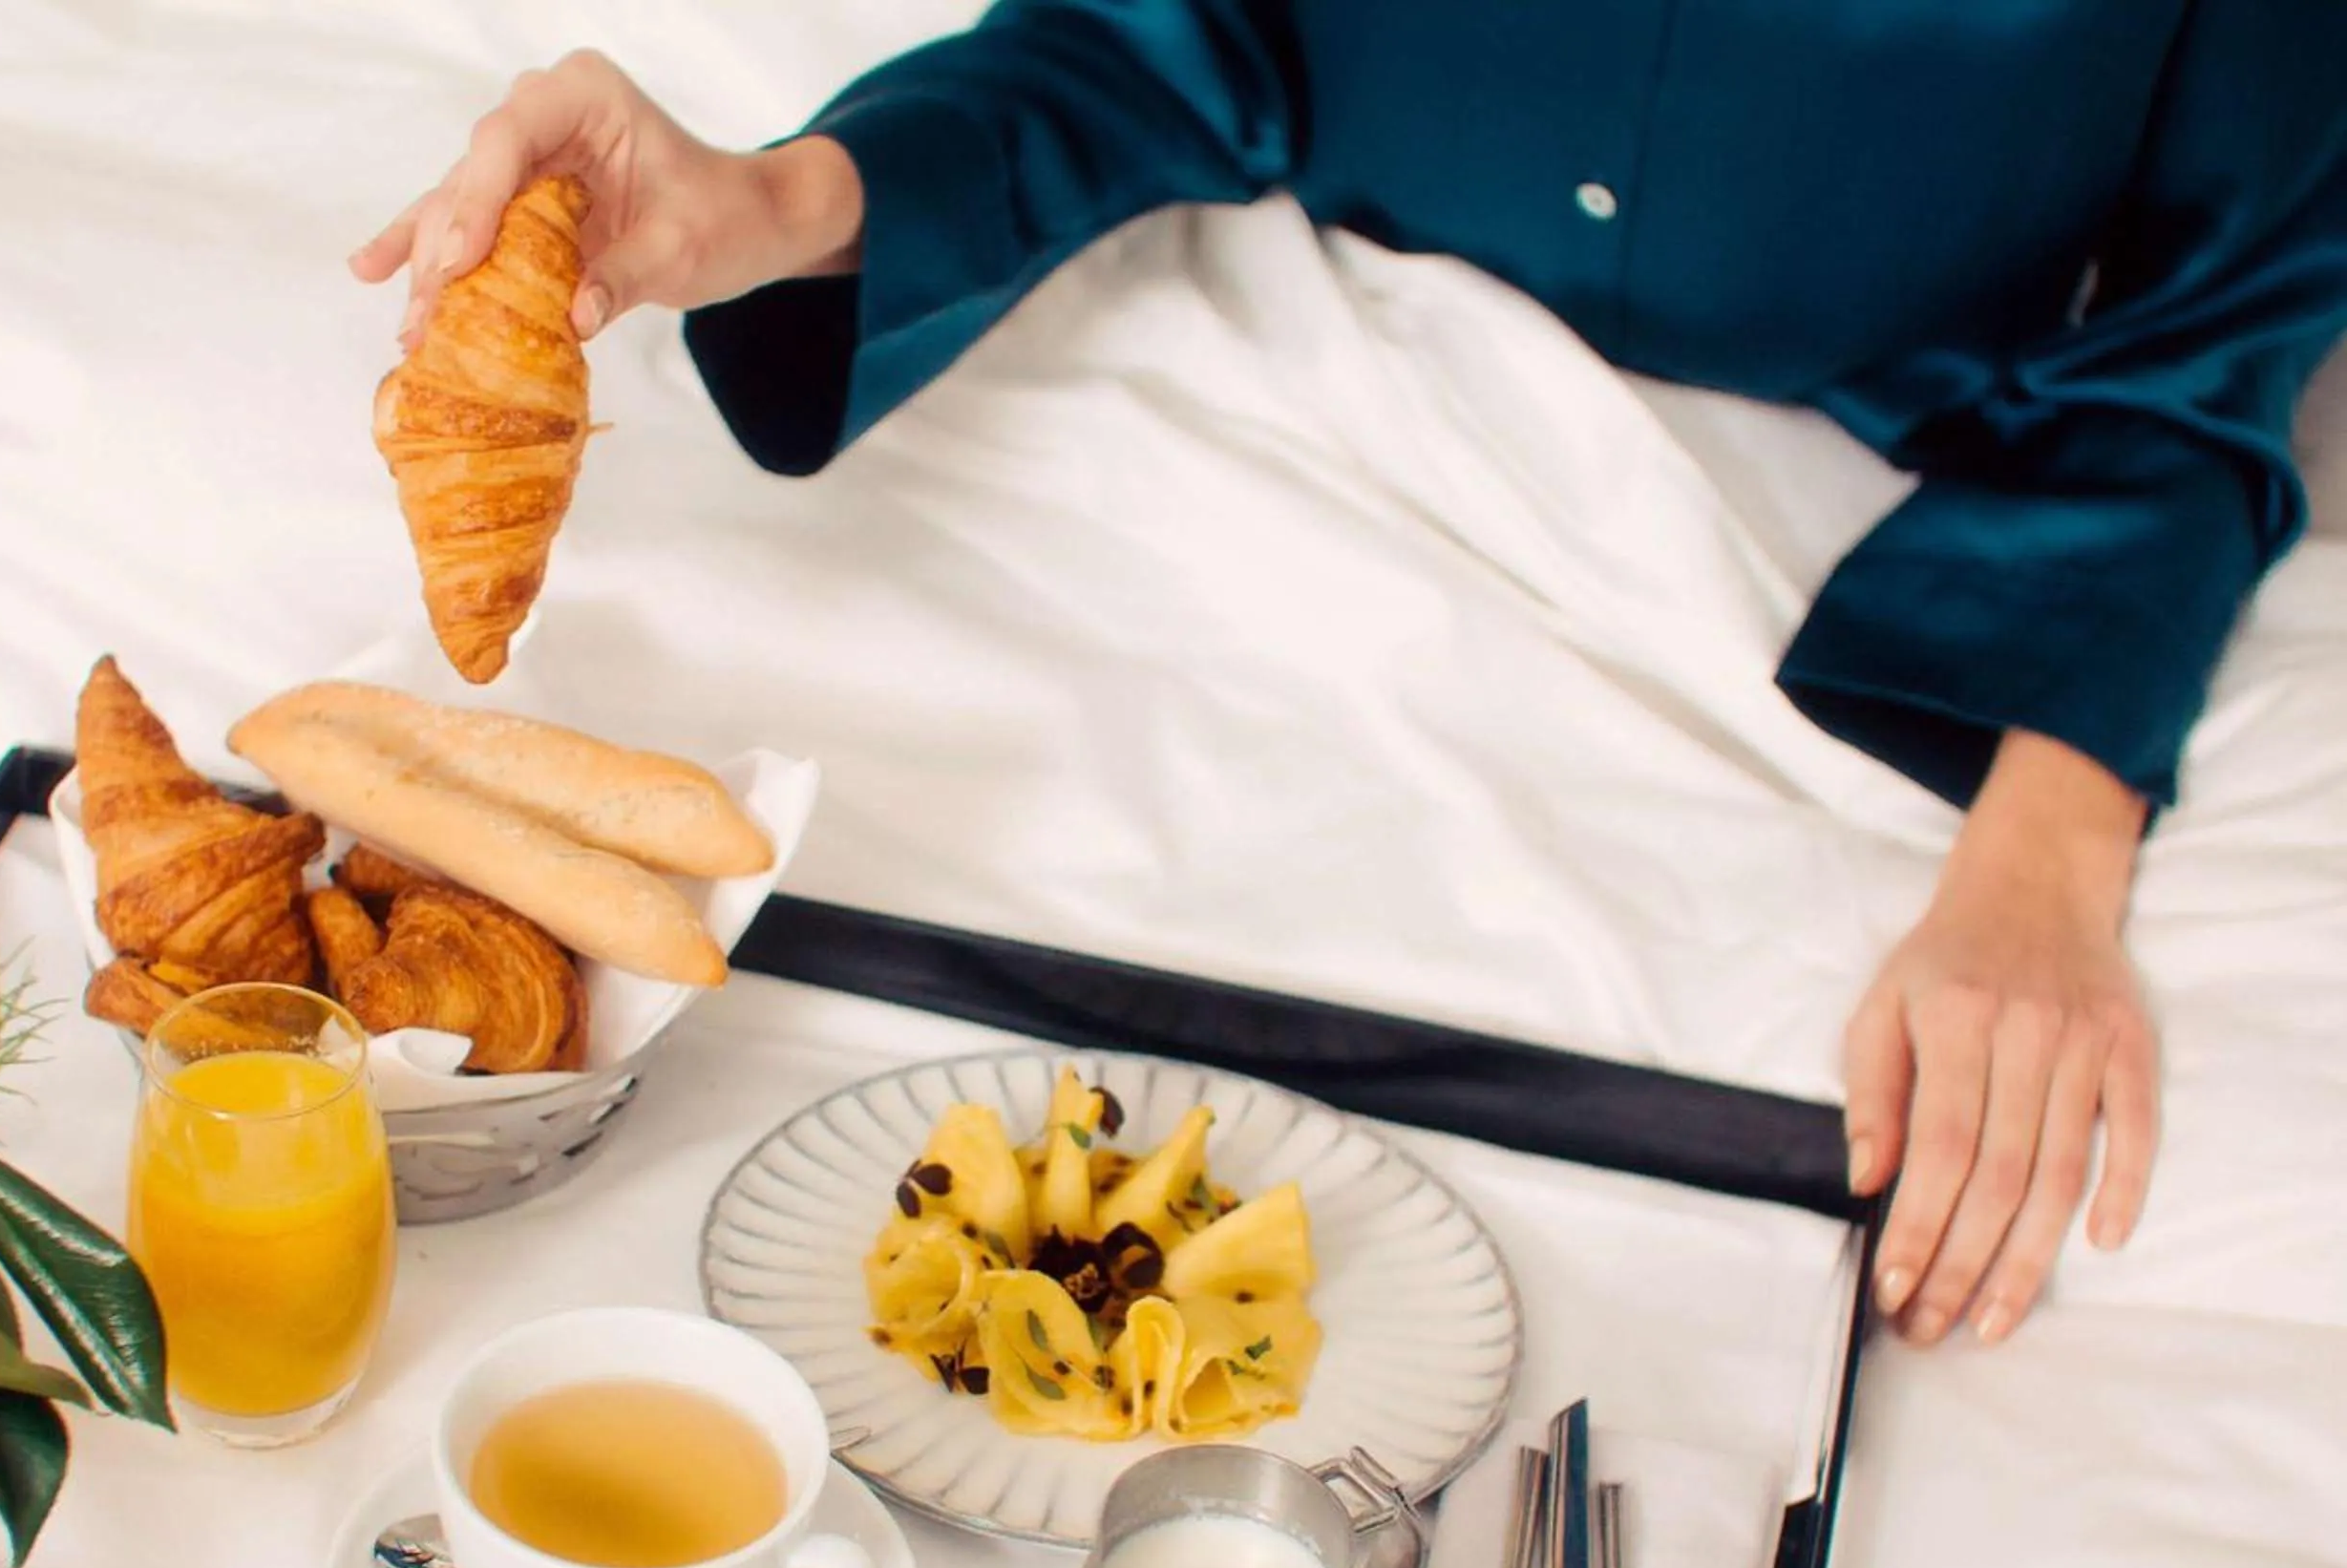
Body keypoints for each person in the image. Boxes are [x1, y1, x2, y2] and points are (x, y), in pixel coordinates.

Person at [351, 3, 2347, 1347]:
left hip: (1834, 594)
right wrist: (772, 204)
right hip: (1236, 466)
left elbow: (2213, 335)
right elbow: (1160, 36)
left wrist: (2047, 849)